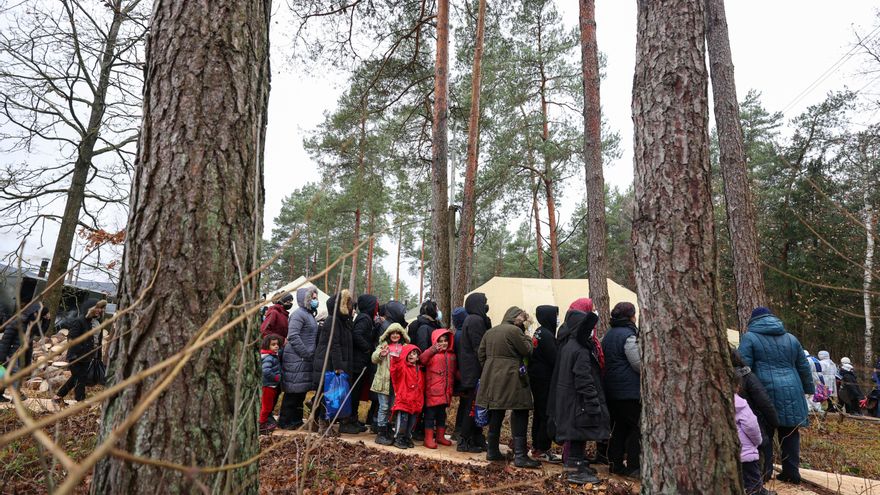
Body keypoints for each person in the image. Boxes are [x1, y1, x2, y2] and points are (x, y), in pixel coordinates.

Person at [738, 307, 814, 485]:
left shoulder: (750, 338)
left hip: (764, 392)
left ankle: (765, 473)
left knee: (765, 434)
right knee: (791, 433)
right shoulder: (791, 338)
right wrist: (808, 388)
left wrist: (739, 392)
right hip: (793, 391)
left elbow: (742, 365)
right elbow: (803, 366)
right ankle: (791, 473)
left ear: (753, 321)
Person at [476, 306, 540, 468]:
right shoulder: (515, 331)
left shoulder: (491, 331)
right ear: (516, 318)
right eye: (523, 318)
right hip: (513, 377)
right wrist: (526, 334)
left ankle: (492, 450)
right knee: (520, 411)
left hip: (491, 377)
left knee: (496, 411)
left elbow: (481, 354)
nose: (524, 321)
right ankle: (520, 456)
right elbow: (527, 350)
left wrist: (491, 367)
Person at [552, 311, 609, 485]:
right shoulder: (580, 350)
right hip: (578, 400)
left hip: (570, 399)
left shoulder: (570, 345)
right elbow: (583, 378)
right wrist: (592, 402)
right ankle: (575, 470)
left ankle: (575, 466)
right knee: (577, 432)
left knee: (578, 432)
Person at [311, 289, 361, 434]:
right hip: (329, 365)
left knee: (327, 395)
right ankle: (323, 425)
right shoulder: (332, 321)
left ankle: (319, 422)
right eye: (348, 303)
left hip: (333, 364)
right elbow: (334, 345)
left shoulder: (343, 322)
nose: (351, 307)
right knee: (327, 396)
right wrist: (339, 367)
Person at [601, 301, 641, 478]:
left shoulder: (608, 335)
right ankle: (633, 466)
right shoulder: (629, 336)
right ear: (631, 316)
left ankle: (615, 463)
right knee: (635, 428)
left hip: (610, 389)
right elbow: (638, 363)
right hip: (628, 391)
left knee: (619, 427)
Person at [731, 347, 779, 483]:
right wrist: (774, 421)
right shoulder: (747, 376)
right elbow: (764, 401)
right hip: (752, 425)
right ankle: (764, 478)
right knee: (763, 445)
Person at [279, 287, 320, 429]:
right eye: (313, 298)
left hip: (303, 359)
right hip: (296, 358)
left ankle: (295, 421)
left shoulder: (309, 314)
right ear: (305, 299)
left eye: (316, 298)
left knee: (300, 392)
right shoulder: (298, 315)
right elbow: (293, 336)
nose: (315, 300)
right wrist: (306, 353)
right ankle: (285, 421)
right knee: (292, 393)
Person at [53, 299, 107, 405]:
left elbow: (97, 341)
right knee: (80, 378)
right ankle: (80, 402)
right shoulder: (79, 321)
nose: (99, 310)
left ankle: (57, 397)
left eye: (101, 308)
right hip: (76, 356)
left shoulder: (97, 322)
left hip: (89, 357)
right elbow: (71, 339)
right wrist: (82, 351)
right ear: (89, 308)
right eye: (97, 307)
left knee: (76, 378)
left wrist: (97, 356)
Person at [456, 292, 491, 453]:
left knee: (476, 406)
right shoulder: (475, 320)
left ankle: (477, 437)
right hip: (474, 371)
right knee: (472, 407)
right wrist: (486, 367)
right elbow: (480, 348)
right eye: (484, 302)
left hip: (473, 370)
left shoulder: (475, 319)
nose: (486, 305)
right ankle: (464, 440)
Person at [0, 302, 51, 401]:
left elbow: (41, 332)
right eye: (36, 314)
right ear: (31, 312)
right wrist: (1, 356)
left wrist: (47, 320)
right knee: (15, 373)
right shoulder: (16, 322)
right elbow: (6, 340)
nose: (37, 316)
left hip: (21, 354)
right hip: (11, 353)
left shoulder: (31, 324)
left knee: (5, 375)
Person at [529, 304, 560, 463]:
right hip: (544, 379)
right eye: (555, 316)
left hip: (537, 377)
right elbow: (554, 358)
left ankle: (537, 446)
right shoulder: (546, 335)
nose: (557, 319)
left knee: (539, 414)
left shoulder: (539, 332)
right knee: (544, 414)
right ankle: (542, 448)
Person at [371, 322, 409, 445]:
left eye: (398, 333)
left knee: (392, 406)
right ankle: (380, 432)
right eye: (392, 333)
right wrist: (380, 355)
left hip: (397, 383)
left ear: (402, 334)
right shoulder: (384, 345)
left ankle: (387, 428)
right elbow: (374, 358)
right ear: (388, 334)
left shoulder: (404, 347)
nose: (395, 335)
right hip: (383, 382)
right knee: (384, 407)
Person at [419, 328, 457, 449]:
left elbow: (454, 372)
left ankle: (440, 437)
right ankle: (428, 438)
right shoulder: (431, 354)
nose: (443, 343)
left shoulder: (452, 355)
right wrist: (432, 350)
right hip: (433, 392)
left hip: (445, 392)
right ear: (435, 341)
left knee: (442, 415)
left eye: (445, 340)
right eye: (440, 341)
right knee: (430, 416)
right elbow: (422, 359)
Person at [736, 388, 774, 495]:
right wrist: (758, 441)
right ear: (737, 387)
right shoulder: (741, 404)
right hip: (745, 452)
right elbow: (751, 426)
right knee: (753, 481)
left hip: (727, 454)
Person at [351, 293, 379, 428]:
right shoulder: (364, 318)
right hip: (358, 361)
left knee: (357, 391)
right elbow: (357, 334)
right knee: (355, 391)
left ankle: (353, 418)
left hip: (360, 360)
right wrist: (368, 349)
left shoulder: (367, 318)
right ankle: (351, 419)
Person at [390, 344, 424, 449]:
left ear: (418, 357)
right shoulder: (403, 367)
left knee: (412, 422)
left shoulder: (420, 370)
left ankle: (407, 437)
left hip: (415, 401)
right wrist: (395, 359)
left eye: (414, 353)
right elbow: (394, 371)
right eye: (409, 353)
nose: (411, 355)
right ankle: (399, 438)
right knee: (403, 421)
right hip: (404, 400)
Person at [450, 306, 468, 440]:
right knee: (466, 403)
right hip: (463, 374)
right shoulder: (463, 335)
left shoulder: (456, 334)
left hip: (458, 373)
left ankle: (458, 430)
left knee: (464, 403)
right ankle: (460, 431)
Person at [260, 335, 283, 433]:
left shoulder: (273, 355)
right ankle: (261, 424)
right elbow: (265, 371)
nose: (276, 346)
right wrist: (276, 377)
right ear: (267, 345)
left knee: (268, 406)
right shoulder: (269, 357)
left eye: (277, 344)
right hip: (268, 385)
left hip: (271, 385)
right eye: (273, 345)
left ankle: (263, 422)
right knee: (267, 406)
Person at [804, 350, 825, 414]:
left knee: (807, 393)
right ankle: (818, 408)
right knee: (815, 393)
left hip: (809, 377)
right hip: (817, 377)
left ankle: (809, 408)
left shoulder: (805, 360)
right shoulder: (815, 359)